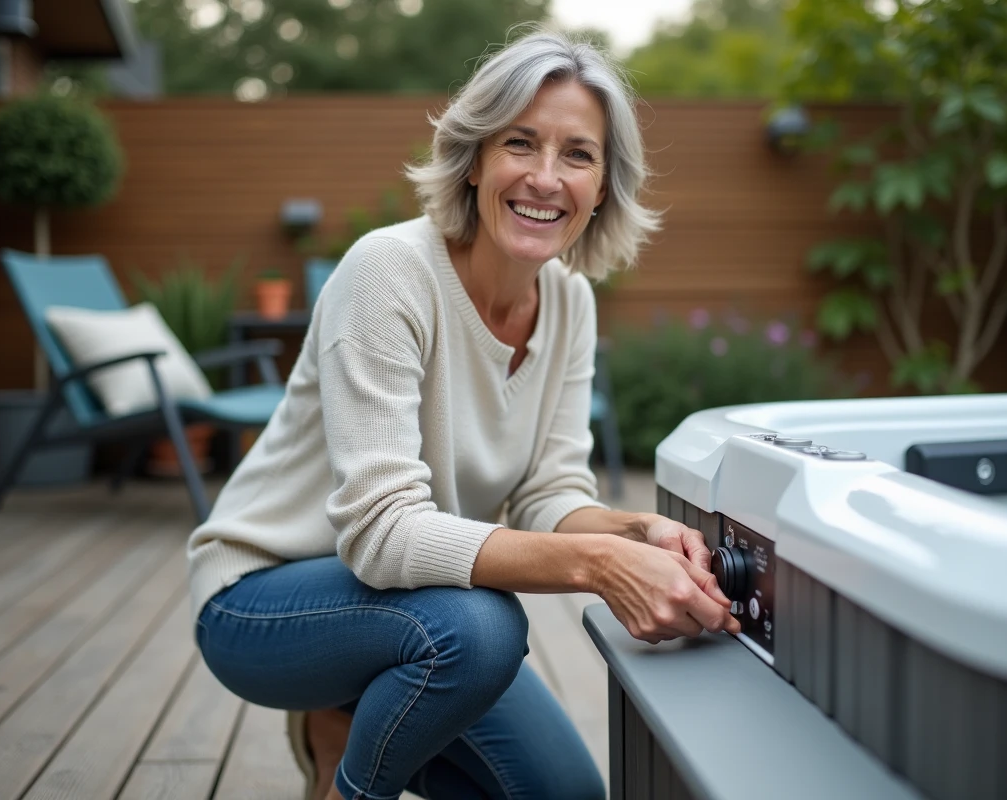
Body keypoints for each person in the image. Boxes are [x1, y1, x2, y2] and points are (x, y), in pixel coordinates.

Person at [188, 27, 742, 800]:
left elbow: (551, 495)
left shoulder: (571, 304)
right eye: (521, 143)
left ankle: (347, 719)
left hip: (413, 612)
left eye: (577, 154)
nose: (546, 177)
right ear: (476, 159)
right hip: (264, 603)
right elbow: (381, 533)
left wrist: (636, 532)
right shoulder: (389, 272)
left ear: (603, 187)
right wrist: (600, 566)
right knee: (483, 630)